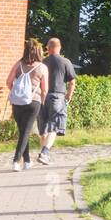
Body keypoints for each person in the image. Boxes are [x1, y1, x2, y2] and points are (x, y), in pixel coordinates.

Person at [6, 39, 48, 171]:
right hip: (33, 102)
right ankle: (16, 160)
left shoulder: (18, 64)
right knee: (25, 132)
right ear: (38, 51)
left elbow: (8, 82)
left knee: (23, 131)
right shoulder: (42, 67)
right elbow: (45, 89)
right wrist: (42, 102)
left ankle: (28, 161)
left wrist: (17, 92)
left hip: (17, 102)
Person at [37, 37, 76, 165]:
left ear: (48, 48)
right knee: (54, 127)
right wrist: (69, 95)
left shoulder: (42, 62)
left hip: (42, 97)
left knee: (43, 129)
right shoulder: (65, 62)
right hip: (57, 97)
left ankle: (43, 153)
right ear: (59, 48)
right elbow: (72, 81)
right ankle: (45, 152)